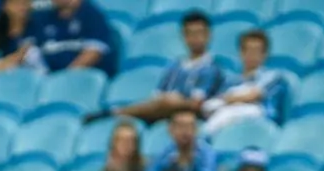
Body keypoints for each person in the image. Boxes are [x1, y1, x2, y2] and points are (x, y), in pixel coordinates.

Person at [87, 12, 225, 124]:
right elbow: (158, 94)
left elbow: (197, 103)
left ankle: (116, 112)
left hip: (191, 116)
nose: (195, 38)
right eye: (190, 33)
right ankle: (119, 112)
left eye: (199, 33)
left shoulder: (212, 68)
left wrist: (176, 101)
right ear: (184, 36)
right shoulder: (175, 65)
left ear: (208, 35)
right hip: (161, 111)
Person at [202, 29, 287, 135]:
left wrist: (230, 99)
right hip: (229, 114)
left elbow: (253, 95)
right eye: (248, 50)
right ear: (241, 52)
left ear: (265, 54)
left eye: (257, 51)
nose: (252, 55)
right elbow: (217, 100)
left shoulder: (272, 76)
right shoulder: (231, 80)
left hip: (259, 118)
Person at [21, 0, 117, 77]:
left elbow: (94, 52)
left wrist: (64, 78)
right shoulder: (42, 17)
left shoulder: (91, 14)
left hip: (82, 81)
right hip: (49, 79)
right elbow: (27, 50)